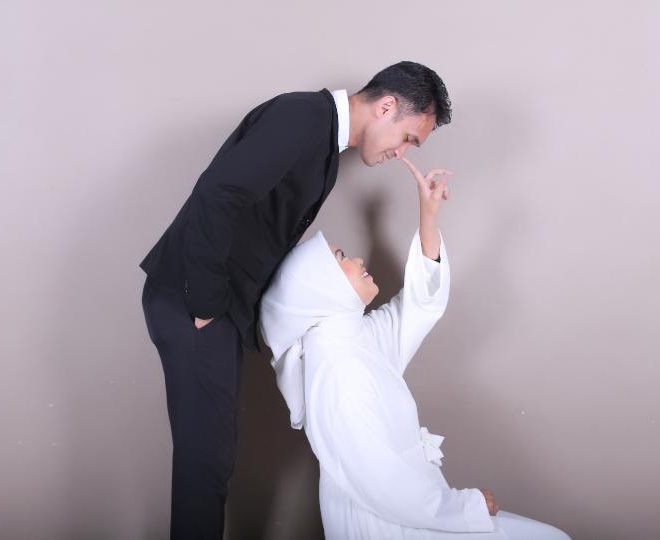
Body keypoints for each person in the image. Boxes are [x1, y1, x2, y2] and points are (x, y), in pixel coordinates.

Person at [139, 61, 452, 539]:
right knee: (205, 465)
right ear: (386, 106)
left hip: (212, 305)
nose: (401, 152)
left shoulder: (322, 140)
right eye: (408, 137)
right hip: (194, 301)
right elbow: (218, 193)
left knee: (210, 463)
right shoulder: (303, 118)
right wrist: (205, 306)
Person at [259, 157, 572, 540]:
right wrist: (466, 506)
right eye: (341, 258)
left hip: (411, 509)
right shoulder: (336, 370)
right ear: (321, 287)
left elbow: (417, 307)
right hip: (387, 523)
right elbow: (380, 482)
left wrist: (428, 216)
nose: (357, 259)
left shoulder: (352, 339)